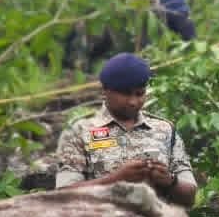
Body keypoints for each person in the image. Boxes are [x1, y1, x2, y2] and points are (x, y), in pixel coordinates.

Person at [55, 53, 196, 208]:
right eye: (125, 94)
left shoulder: (165, 130)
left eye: (139, 94)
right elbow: (63, 196)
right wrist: (116, 179)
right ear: (105, 90)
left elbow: (190, 197)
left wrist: (169, 181)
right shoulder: (79, 131)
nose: (133, 102)